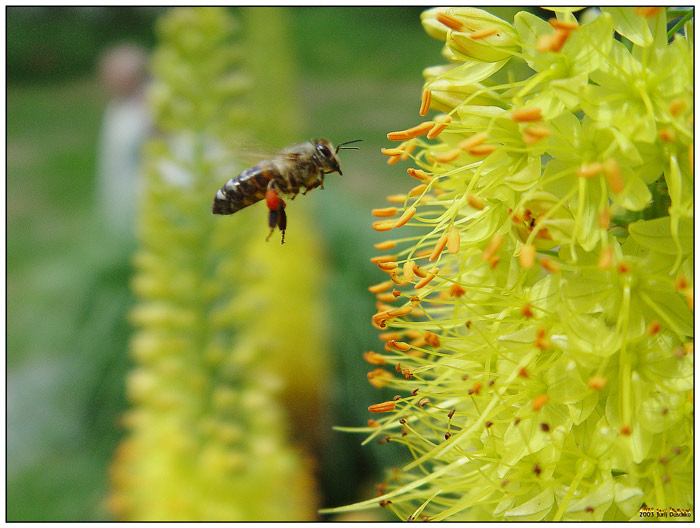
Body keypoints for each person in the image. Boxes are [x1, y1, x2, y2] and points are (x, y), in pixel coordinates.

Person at [95, 43, 151, 242]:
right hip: (120, 185)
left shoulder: (153, 103)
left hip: (147, 193)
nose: (109, 82)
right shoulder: (118, 104)